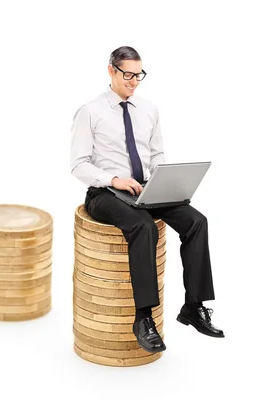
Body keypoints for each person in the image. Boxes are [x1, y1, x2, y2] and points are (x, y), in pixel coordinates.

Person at [69, 46, 224, 353]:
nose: (134, 81)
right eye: (128, 74)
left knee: (196, 222)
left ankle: (193, 306)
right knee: (144, 227)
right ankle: (143, 319)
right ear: (111, 70)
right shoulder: (90, 111)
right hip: (105, 192)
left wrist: (160, 178)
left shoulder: (149, 110)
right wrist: (113, 180)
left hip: (144, 188)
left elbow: (157, 154)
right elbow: (78, 164)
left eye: (139, 75)